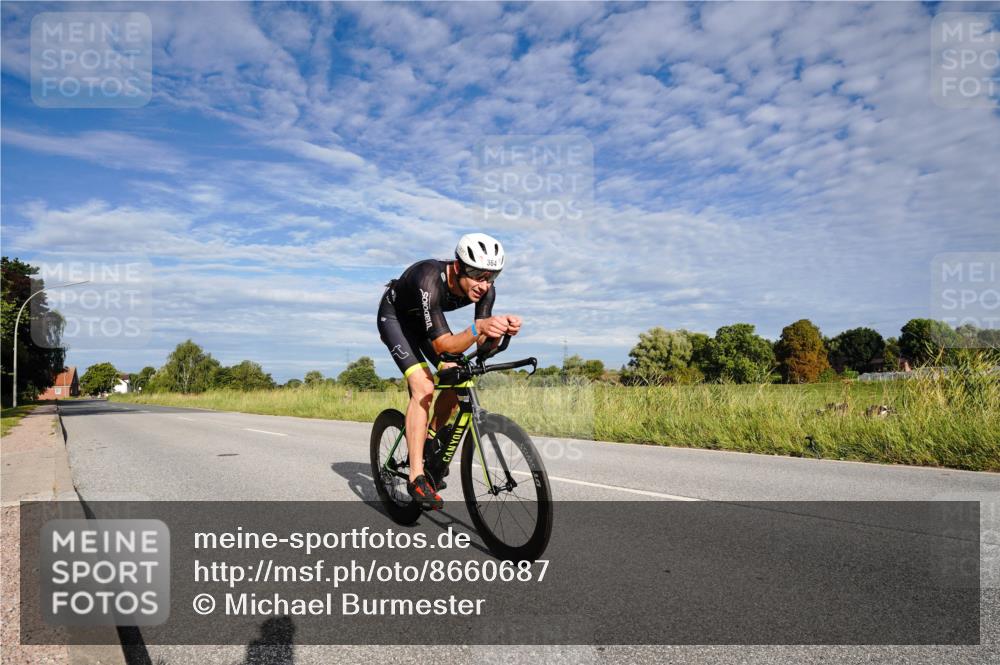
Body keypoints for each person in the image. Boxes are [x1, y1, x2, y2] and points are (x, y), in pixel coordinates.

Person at [377, 233, 521, 509]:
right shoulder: (428, 277)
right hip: (396, 321)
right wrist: (480, 328)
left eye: (492, 276)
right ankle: (416, 476)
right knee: (424, 386)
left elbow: (480, 344)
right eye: (478, 274)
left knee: (459, 376)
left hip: (427, 325)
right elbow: (444, 345)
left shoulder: (486, 289)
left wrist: (499, 333)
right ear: (458, 267)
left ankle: (430, 438)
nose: (484, 284)